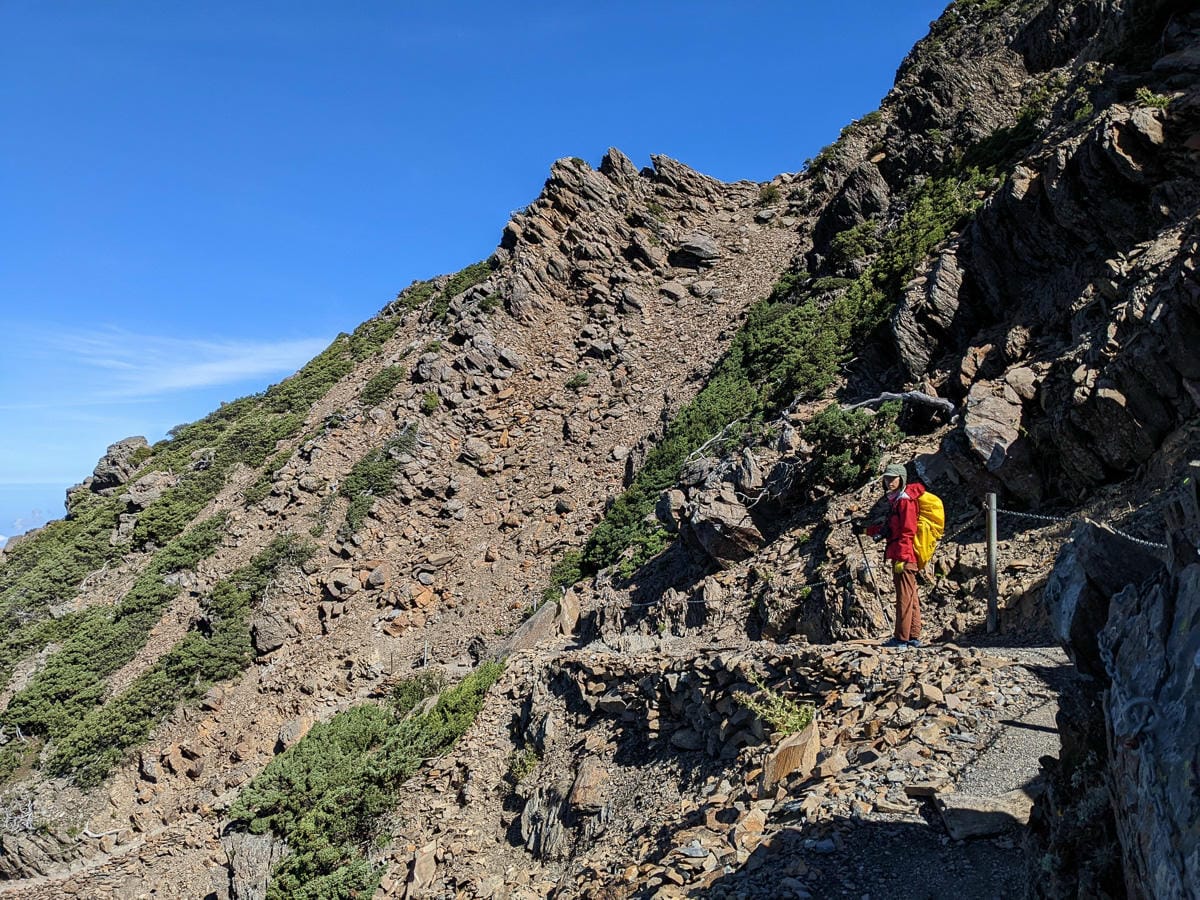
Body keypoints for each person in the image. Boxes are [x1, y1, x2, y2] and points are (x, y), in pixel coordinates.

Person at [854, 464, 924, 648]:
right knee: (911, 595)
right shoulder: (898, 500)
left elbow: (908, 530)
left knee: (904, 597)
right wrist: (865, 530)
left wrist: (901, 556)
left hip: (905, 556)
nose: (889, 482)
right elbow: (890, 529)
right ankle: (913, 636)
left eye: (893, 478)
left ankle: (901, 638)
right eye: (887, 478)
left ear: (902, 479)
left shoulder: (905, 501)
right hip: (904, 555)